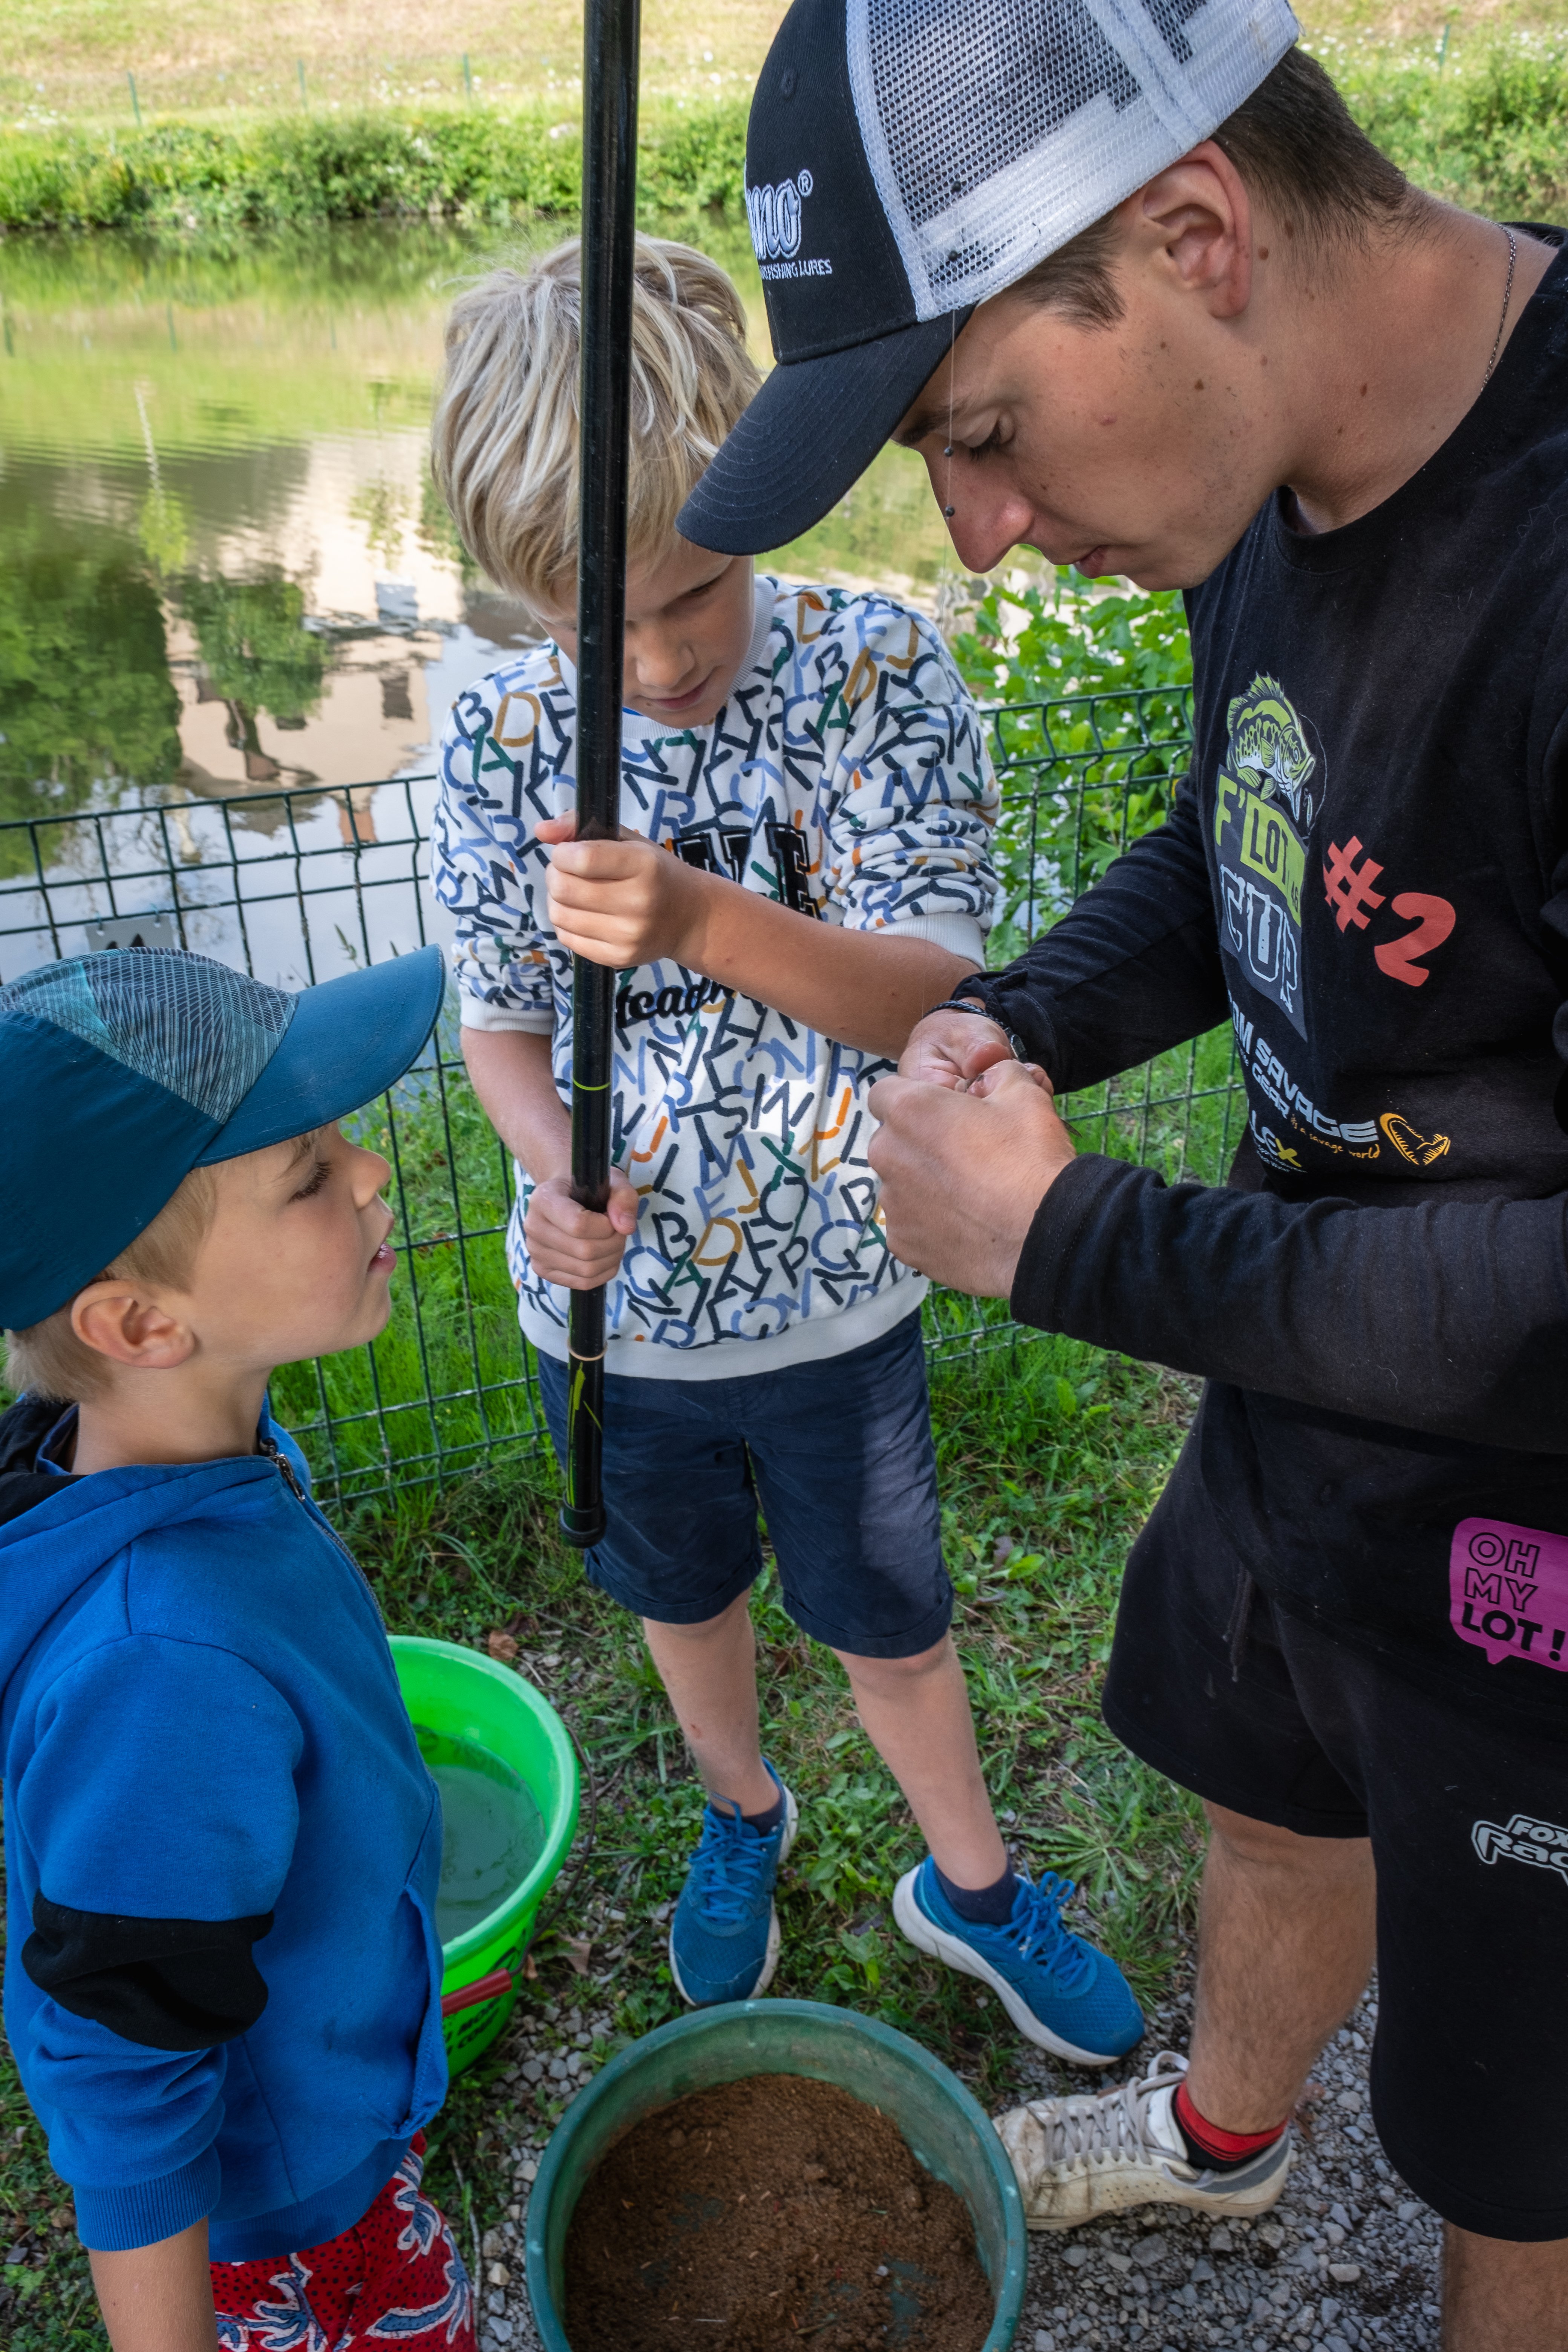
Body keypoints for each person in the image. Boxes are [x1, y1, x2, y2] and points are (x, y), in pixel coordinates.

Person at [677, 1, 1568, 2341]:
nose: (983, 533)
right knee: (1267, 1774)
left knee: (1520, 2140)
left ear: (1194, 236)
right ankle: (1225, 2143)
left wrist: (1069, 1237)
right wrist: (1028, 1021)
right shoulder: (1273, 468)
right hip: (1297, 1377)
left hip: (1535, 1547)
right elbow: (1242, 814)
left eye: (978, 434)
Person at [426, 233, 1143, 2063]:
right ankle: (740, 1812)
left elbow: (929, 989)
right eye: (604, 626)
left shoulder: (872, 671)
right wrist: (541, 1169)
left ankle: (968, 1883)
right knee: (684, 1595)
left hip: (836, 1299)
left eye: (696, 593)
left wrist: (695, 919)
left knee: (890, 1621)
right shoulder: (506, 726)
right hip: (616, 1322)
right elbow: (501, 1017)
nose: (656, 664)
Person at [0, 944, 477, 2352]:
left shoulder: (186, 1438)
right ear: (143, 1323)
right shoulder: (165, 1667)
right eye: (308, 1176)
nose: (376, 1172)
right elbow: (119, 2057)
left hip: (333, 2134)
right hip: (273, 2221)